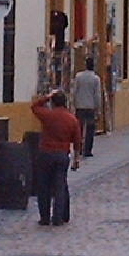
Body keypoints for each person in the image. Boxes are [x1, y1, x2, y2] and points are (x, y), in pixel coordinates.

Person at [28, 95, 78, 225]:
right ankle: (58, 218)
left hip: (46, 154)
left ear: (53, 103)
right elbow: (77, 141)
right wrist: (76, 159)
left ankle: (44, 218)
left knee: (43, 187)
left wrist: (46, 97)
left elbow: (34, 106)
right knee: (60, 187)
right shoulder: (71, 119)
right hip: (62, 155)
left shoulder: (47, 115)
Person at [68, 54, 105, 155]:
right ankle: (87, 150)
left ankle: (78, 148)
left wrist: (73, 104)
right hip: (90, 106)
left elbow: (74, 91)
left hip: (80, 106)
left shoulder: (78, 76)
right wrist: (98, 109)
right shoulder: (96, 79)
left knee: (78, 129)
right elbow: (97, 95)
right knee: (90, 130)